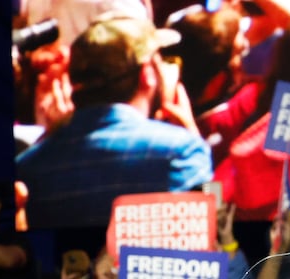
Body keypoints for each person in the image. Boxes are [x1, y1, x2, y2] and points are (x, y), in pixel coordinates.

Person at [15, 17, 213, 230]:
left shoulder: (26, 166)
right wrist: (196, 140)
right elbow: (215, 234)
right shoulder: (182, 151)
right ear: (146, 74)